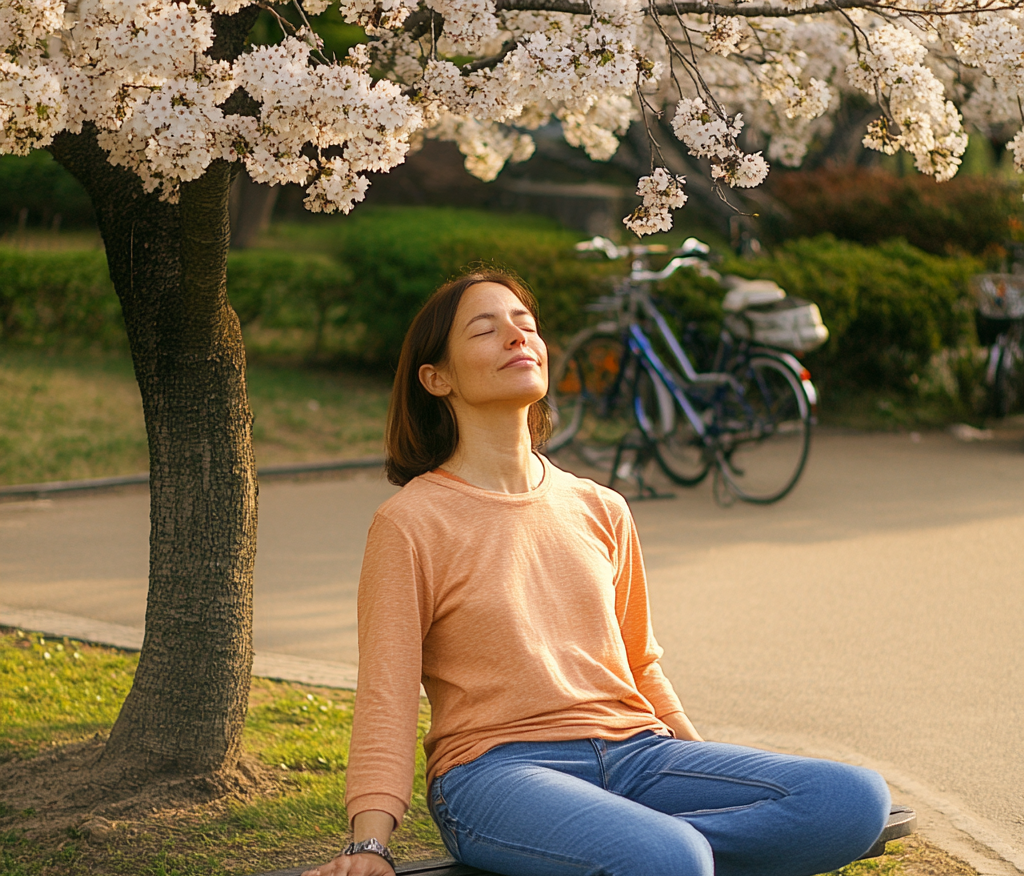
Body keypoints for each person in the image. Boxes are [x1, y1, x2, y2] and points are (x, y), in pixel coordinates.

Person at [302, 271, 891, 876]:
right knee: (669, 856)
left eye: (526, 325)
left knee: (853, 799)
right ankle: (655, 851)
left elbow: (639, 664)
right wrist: (369, 841)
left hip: (639, 752)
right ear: (436, 378)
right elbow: (388, 694)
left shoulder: (600, 506)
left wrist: (697, 761)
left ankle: (644, 847)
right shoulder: (410, 523)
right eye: (487, 329)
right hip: (499, 771)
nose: (516, 337)